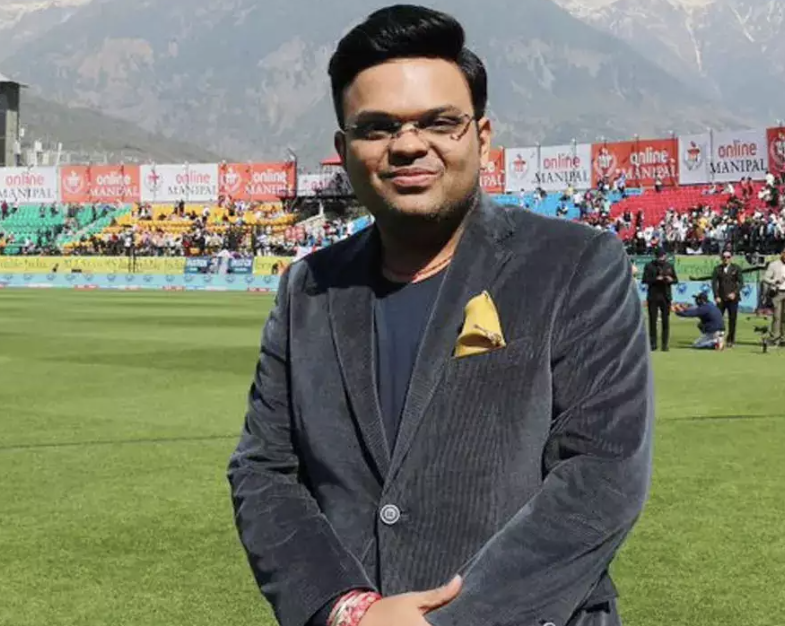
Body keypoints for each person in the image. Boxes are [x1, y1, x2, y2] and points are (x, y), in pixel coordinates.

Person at [227, 7, 653, 626]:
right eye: (377, 128)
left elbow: (602, 473)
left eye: (439, 122)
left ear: (482, 137)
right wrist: (349, 610)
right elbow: (264, 469)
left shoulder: (576, 264)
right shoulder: (307, 288)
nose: (407, 145)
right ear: (344, 150)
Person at [642, 249, 678, 351]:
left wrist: (671, 280)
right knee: (652, 321)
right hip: (653, 296)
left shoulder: (669, 266)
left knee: (665, 321)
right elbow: (644, 280)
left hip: (665, 296)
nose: (661, 258)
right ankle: (653, 344)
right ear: (656, 256)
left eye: (662, 256)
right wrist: (656, 279)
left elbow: (676, 280)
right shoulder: (649, 266)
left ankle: (664, 344)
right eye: (659, 256)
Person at [763, 248, 785, 346]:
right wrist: (775, 281)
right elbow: (765, 278)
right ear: (782, 254)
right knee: (777, 317)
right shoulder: (773, 265)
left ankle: (783, 338)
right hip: (777, 292)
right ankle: (774, 338)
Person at [711, 250, 743, 348]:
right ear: (721, 258)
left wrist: (734, 293)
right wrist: (716, 296)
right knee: (718, 319)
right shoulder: (717, 269)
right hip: (721, 298)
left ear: (731, 258)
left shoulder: (736, 268)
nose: (726, 259)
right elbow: (714, 283)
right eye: (724, 257)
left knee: (732, 319)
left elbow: (741, 283)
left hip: (733, 299)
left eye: (728, 257)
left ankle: (730, 340)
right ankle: (718, 339)